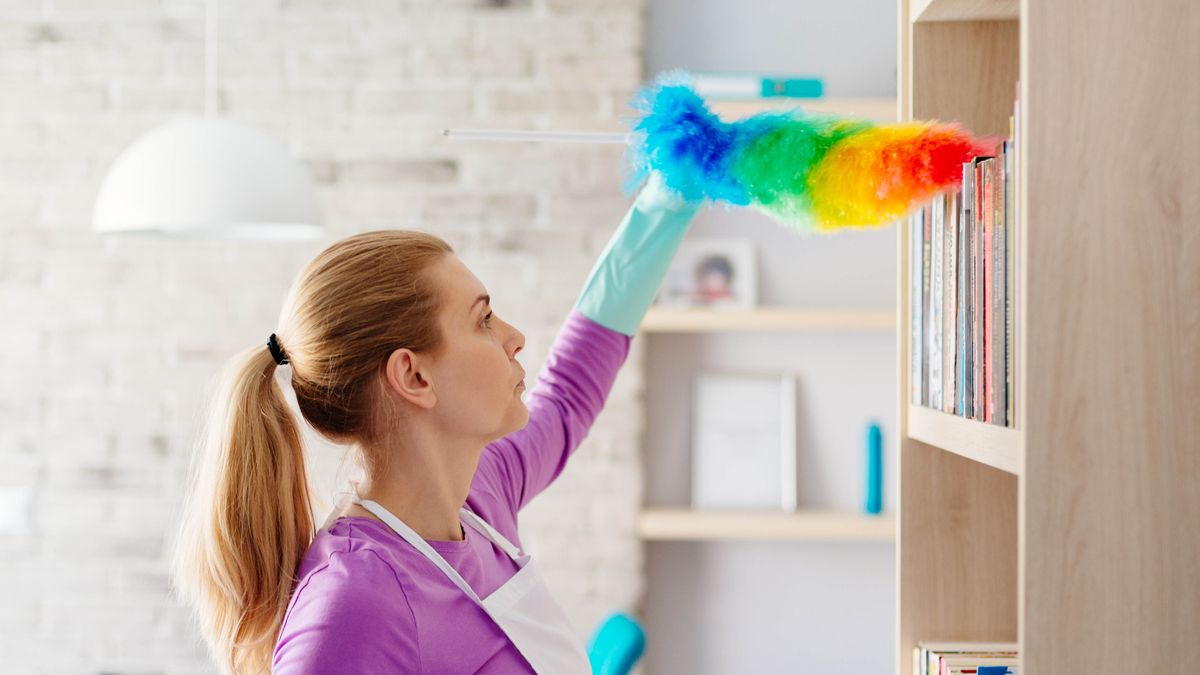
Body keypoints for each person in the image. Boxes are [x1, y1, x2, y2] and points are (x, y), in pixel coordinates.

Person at [172, 174, 701, 674]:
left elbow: (567, 394)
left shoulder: (480, 500)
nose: (514, 337)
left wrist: (669, 198)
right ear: (413, 374)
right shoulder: (353, 605)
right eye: (483, 319)